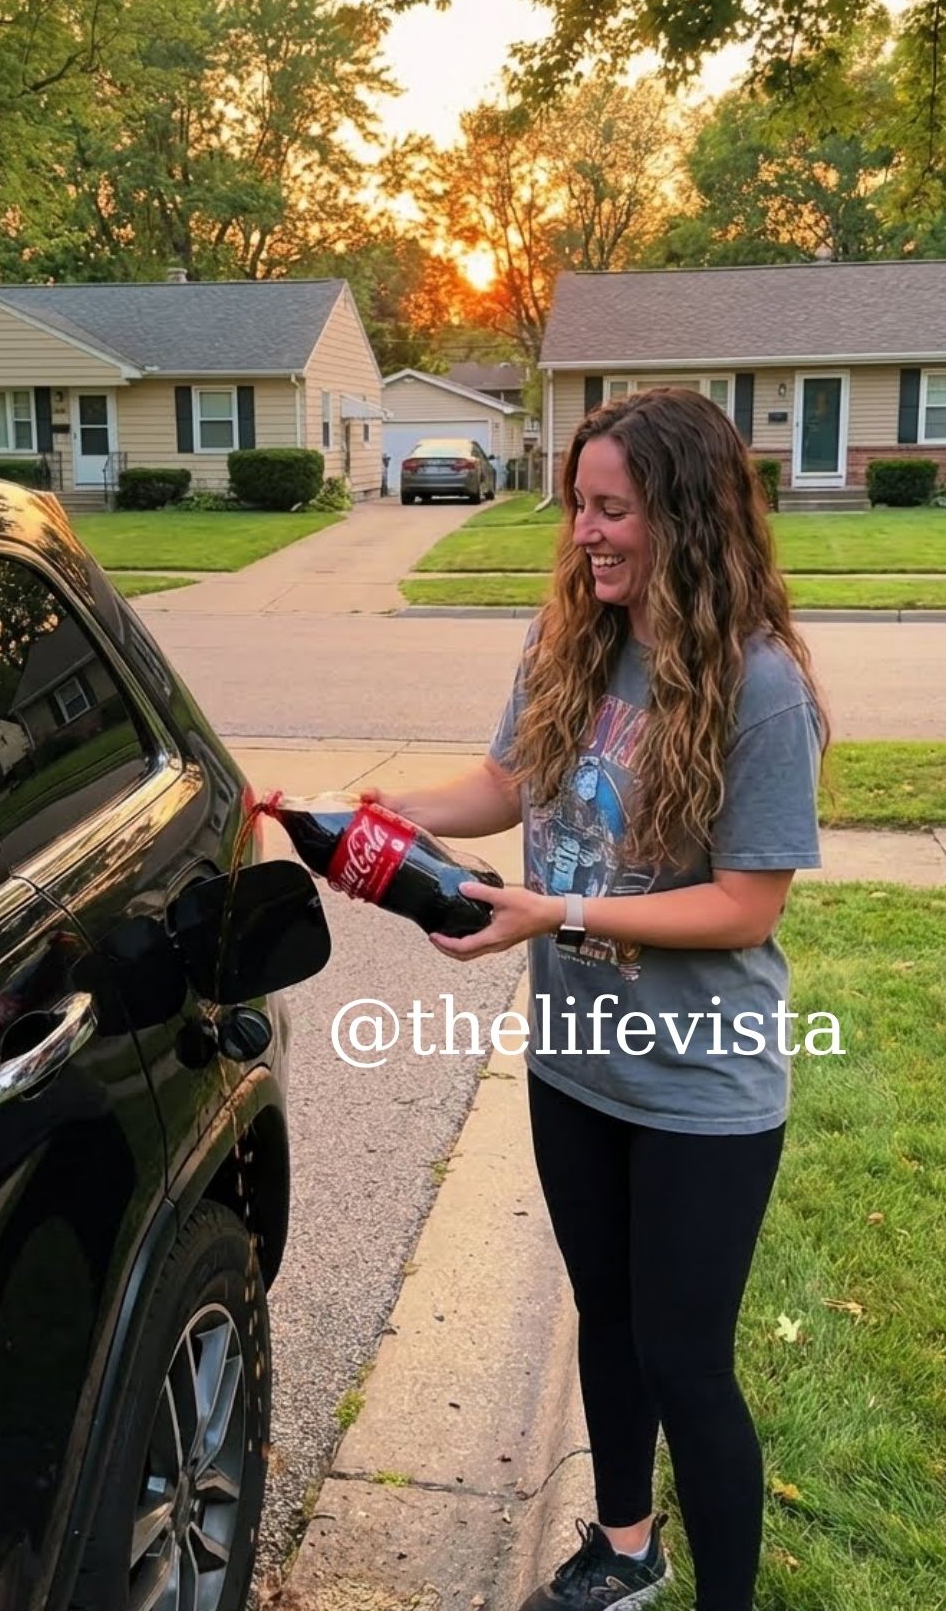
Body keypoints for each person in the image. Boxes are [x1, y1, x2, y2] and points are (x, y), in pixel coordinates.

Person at [365, 389, 827, 1611]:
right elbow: (507, 782)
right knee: (607, 1315)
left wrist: (557, 914)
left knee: (687, 1361)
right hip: (575, 1062)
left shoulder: (760, 685)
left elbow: (745, 906)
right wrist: (389, 812)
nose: (585, 533)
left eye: (612, 510)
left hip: (700, 1084)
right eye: (579, 505)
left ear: (687, 516)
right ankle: (626, 1550)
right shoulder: (569, 639)